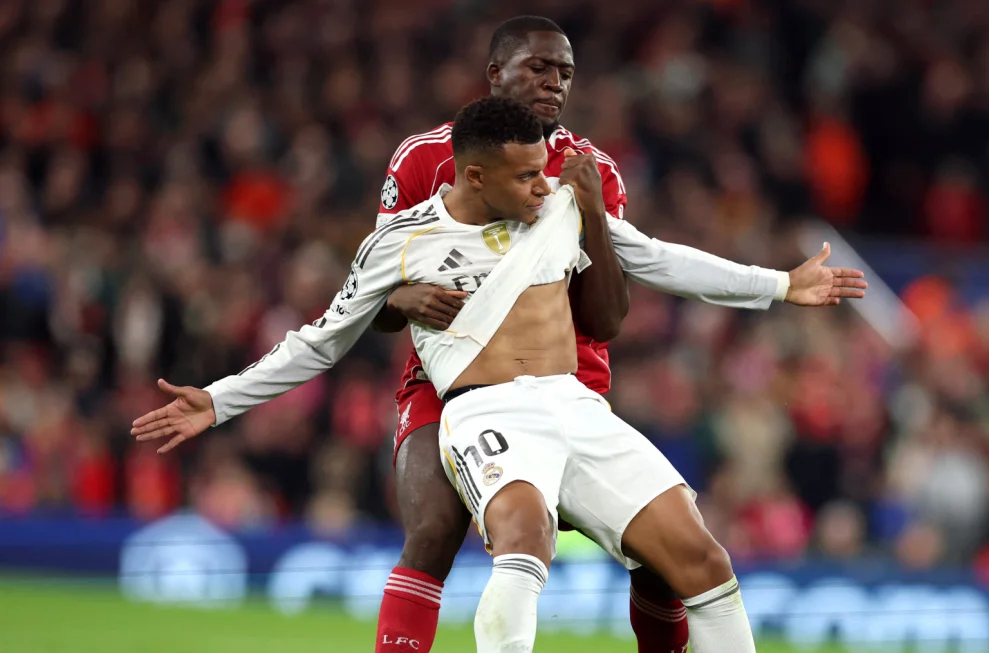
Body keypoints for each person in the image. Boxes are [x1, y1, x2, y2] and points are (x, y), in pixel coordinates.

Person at [129, 96, 845, 651]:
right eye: (526, 174)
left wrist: (781, 285)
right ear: (474, 175)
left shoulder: (559, 208)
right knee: (525, 536)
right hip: (485, 410)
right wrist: (218, 400)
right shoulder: (400, 242)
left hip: (575, 404)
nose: (542, 184)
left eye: (542, 170)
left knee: (703, 559)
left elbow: (657, 258)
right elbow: (319, 341)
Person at [367, 15, 865, 653]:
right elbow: (374, 288)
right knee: (437, 531)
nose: (554, 83)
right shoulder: (423, 158)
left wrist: (597, 216)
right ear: (495, 73)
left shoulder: (591, 170)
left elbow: (606, 316)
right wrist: (400, 296)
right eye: (538, 68)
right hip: (456, 385)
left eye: (565, 73)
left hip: (569, 382)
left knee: (669, 563)